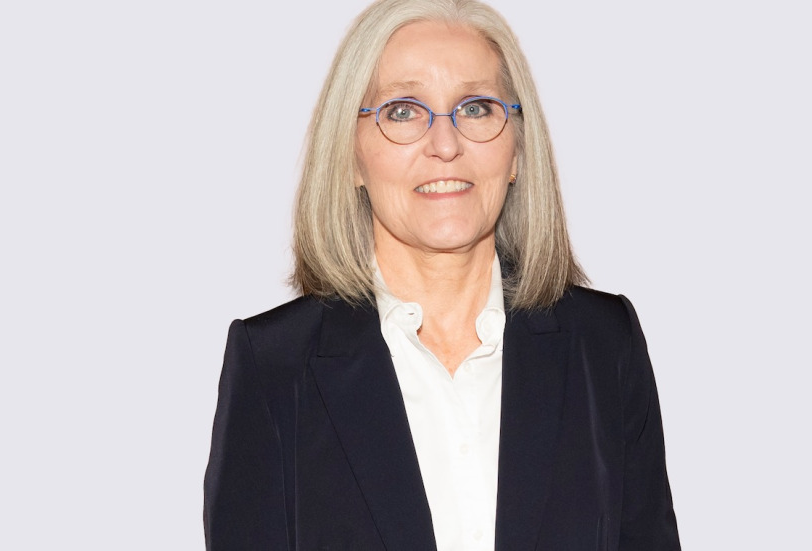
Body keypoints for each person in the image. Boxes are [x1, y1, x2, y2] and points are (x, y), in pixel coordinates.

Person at [204, 0, 680, 549]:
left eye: (476, 108)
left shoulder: (604, 344)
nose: (446, 144)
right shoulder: (274, 367)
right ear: (352, 156)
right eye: (403, 111)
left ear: (517, 149)